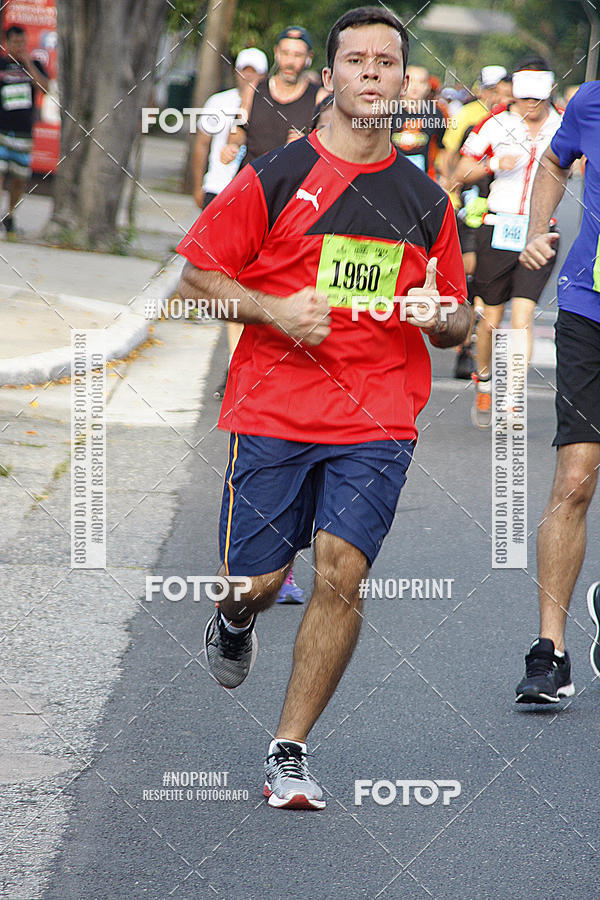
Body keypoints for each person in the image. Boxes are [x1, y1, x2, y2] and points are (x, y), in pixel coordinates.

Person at [177, 5, 470, 810]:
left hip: (377, 415)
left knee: (342, 573)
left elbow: (458, 318)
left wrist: (440, 316)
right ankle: (235, 620)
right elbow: (193, 279)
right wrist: (274, 310)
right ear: (331, 76)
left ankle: (289, 750)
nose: (372, 72)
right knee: (260, 582)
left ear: (404, 82)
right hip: (274, 409)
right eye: (357, 60)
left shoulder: (426, 202)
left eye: (387, 61)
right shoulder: (275, 175)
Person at [513, 81, 600, 704]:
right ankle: (551, 652)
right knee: (574, 477)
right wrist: (535, 228)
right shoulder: (593, 101)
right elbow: (553, 157)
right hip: (589, 308)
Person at [454, 58, 563, 427]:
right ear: (515, 94)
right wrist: (494, 164)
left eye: (539, 99)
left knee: (523, 318)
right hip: (497, 229)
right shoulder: (495, 123)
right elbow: (460, 172)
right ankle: (483, 379)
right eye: (525, 99)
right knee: (488, 320)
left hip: (540, 232)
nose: (532, 107)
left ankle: (513, 396)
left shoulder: (562, 124)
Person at [191, 47, 268, 400]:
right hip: (217, 191)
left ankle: (242, 364)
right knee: (221, 276)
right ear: (236, 71)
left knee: (246, 280)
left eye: (256, 71)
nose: (249, 76)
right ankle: (237, 362)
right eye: (244, 70)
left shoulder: (268, 107)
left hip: (253, 201)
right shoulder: (219, 102)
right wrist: (197, 185)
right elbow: (203, 144)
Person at [441, 65, 507, 380]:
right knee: (468, 274)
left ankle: (478, 338)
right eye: (491, 89)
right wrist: (449, 186)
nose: (496, 95)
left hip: (501, 209)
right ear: (481, 89)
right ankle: (464, 347)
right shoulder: (466, 115)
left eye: (502, 89)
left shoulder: (512, 120)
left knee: (487, 281)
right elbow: (448, 153)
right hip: (469, 205)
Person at [220, 26, 329, 168]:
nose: (290, 62)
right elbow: (239, 128)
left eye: (297, 55)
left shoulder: (319, 98)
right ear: (276, 52)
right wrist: (231, 146)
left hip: (291, 185)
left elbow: (330, 147)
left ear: (309, 58)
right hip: (251, 180)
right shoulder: (254, 89)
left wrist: (306, 145)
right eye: (285, 53)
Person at [0, 25, 49, 234]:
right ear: (7, 43)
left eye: (22, 43)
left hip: (24, 133)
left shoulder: (34, 65)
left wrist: (27, 63)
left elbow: (45, 88)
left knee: (19, 179)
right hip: (2, 130)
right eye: (15, 43)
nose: (19, 47)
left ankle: (9, 215)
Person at [390, 64, 448, 178]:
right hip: (391, 177)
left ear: (427, 87)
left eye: (420, 82)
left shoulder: (435, 114)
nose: (415, 87)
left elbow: (442, 149)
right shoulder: (388, 112)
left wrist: (446, 177)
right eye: (410, 81)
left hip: (423, 178)